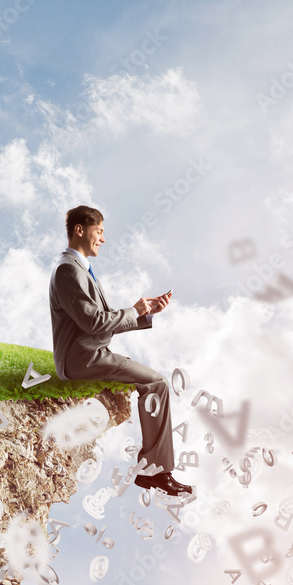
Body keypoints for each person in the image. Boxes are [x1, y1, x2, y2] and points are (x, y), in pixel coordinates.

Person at [48, 205, 190, 496]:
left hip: (89, 354)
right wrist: (132, 310)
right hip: (82, 360)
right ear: (80, 230)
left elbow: (100, 323)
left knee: (155, 381)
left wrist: (145, 314)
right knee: (157, 383)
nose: (102, 238)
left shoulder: (79, 269)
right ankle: (156, 471)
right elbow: (93, 323)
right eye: (99, 231)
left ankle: (154, 468)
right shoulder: (67, 271)